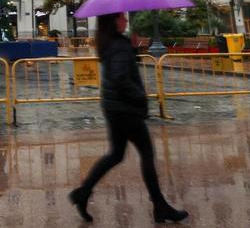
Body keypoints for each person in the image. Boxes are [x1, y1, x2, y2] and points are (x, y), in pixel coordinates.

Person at [69, 12, 188, 224]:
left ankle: (83, 193)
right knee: (146, 153)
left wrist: (132, 50)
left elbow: (119, 68)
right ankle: (160, 206)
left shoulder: (110, 43)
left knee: (116, 154)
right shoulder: (118, 45)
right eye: (122, 18)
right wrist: (140, 96)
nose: (126, 21)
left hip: (112, 106)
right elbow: (120, 77)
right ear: (113, 21)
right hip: (125, 109)